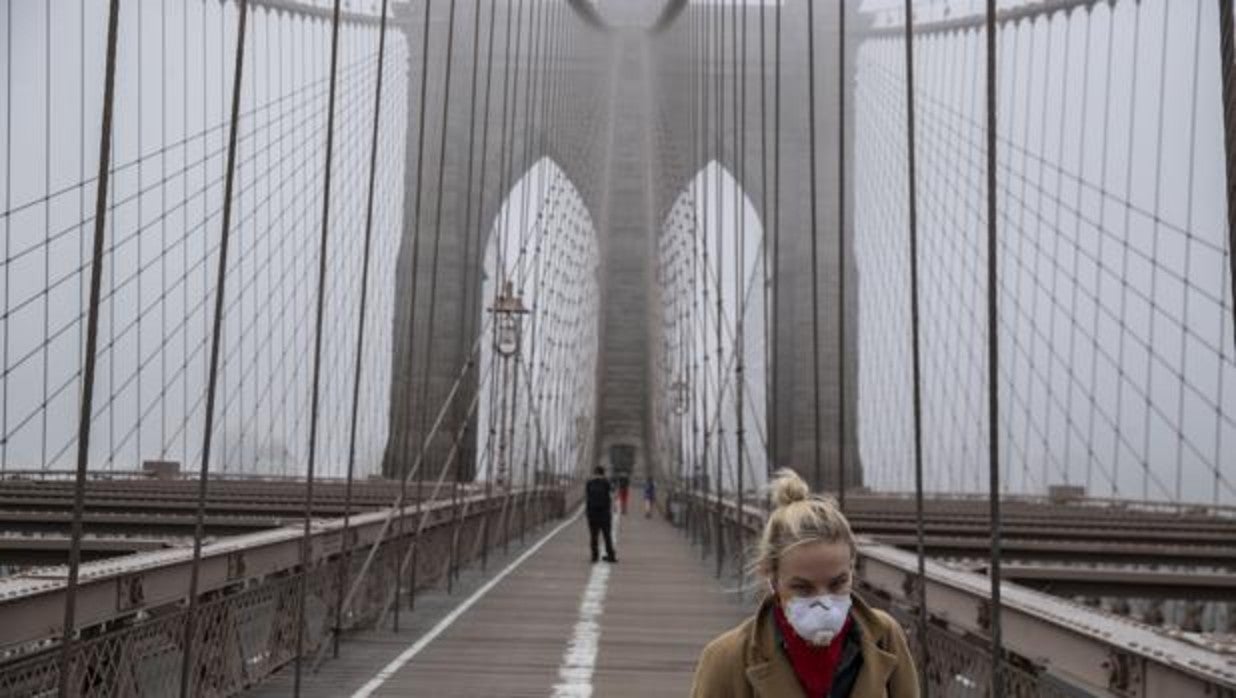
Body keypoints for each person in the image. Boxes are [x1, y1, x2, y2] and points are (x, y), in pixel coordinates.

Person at [690, 468, 918, 697]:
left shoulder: (885, 637)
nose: (823, 602)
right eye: (802, 588)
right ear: (772, 578)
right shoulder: (726, 659)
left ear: (851, 569)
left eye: (838, 583)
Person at [585, 466, 617, 563]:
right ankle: (611, 556)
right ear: (603, 474)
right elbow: (613, 494)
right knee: (607, 535)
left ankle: (594, 557)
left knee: (594, 536)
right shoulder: (607, 483)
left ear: (595, 473)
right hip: (604, 514)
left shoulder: (589, 483)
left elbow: (587, 497)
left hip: (592, 514)